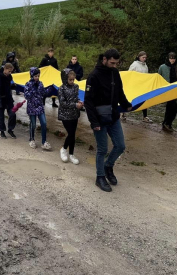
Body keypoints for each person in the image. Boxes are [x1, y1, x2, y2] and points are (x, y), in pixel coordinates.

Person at [84, 49, 132, 192]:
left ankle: (108, 166)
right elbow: (88, 102)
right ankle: (100, 177)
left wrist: (126, 105)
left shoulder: (115, 73)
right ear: (104, 59)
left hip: (114, 116)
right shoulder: (93, 76)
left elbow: (119, 92)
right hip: (99, 119)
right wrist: (94, 123)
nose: (114, 65)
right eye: (112, 62)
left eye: (116, 63)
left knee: (120, 146)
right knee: (102, 149)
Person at [58, 69, 83, 164]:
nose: (72, 82)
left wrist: (79, 101)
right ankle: (64, 149)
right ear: (65, 79)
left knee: (73, 135)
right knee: (71, 134)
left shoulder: (76, 86)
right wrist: (75, 105)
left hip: (74, 114)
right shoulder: (61, 88)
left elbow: (75, 98)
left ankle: (71, 154)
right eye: (70, 80)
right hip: (65, 115)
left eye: (73, 79)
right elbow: (63, 102)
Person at [24, 67, 51, 150]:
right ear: (32, 76)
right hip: (31, 108)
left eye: (38, 76)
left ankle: (44, 142)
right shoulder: (28, 84)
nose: (37, 78)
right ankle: (32, 139)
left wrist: (50, 89)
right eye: (35, 76)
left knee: (44, 123)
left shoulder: (40, 83)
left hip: (40, 107)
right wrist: (33, 89)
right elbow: (26, 96)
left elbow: (44, 93)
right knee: (33, 124)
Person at [123, 51, 152, 123]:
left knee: (144, 100)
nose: (144, 59)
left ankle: (145, 116)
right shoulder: (134, 64)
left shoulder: (145, 65)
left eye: (145, 57)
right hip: (134, 85)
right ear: (139, 57)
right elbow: (129, 74)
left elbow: (146, 75)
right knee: (130, 99)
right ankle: (123, 113)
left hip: (142, 86)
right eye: (143, 57)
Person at [159, 52, 177, 132]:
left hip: (175, 89)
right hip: (167, 89)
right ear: (168, 58)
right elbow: (159, 78)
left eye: (174, 58)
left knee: (175, 108)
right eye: (171, 58)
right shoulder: (162, 67)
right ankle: (165, 123)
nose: (172, 60)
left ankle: (169, 123)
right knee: (169, 107)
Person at [0, 62, 16, 138]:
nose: (10, 73)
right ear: (5, 69)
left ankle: (10, 129)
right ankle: (2, 131)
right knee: (0, 116)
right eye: (9, 71)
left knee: (13, 114)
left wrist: (13, 86)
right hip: (1, 98)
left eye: (11, 71)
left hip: (8, 98)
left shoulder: (10, 77)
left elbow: (10, 86)